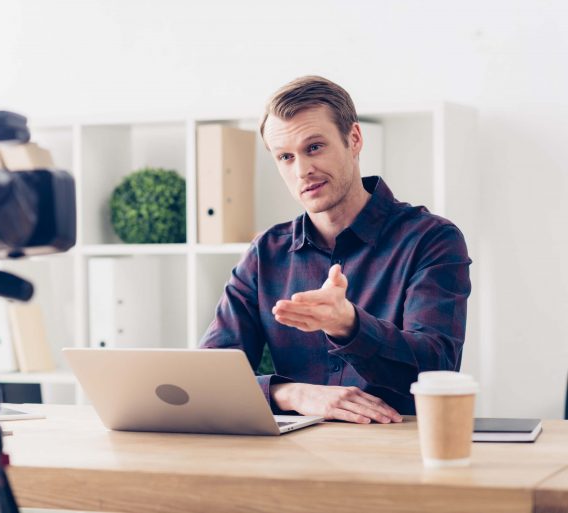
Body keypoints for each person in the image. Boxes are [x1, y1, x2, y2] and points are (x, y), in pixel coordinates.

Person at [199, 76, 472, 424]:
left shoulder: (431, 239)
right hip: (296, 458)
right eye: (285, 157)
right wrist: (291, 393)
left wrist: (349, 325)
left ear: (354, 139)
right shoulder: (265, 252)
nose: (302, 170)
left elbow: (438, 370)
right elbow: (210, 377)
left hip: (400, 453)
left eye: (314, 147)